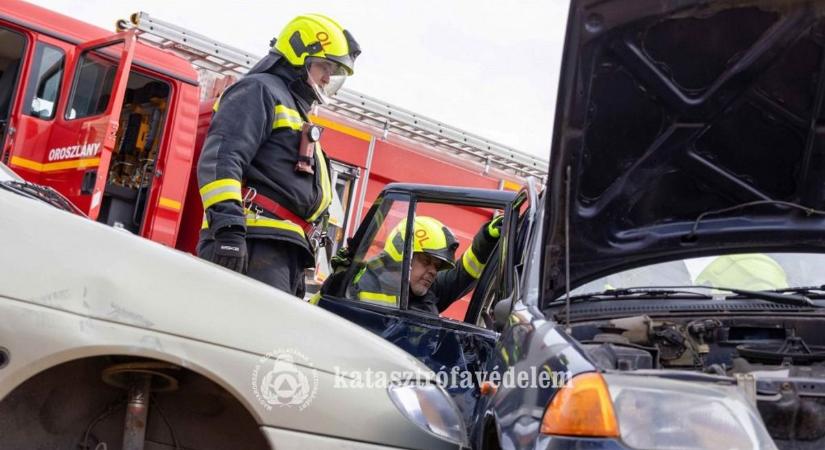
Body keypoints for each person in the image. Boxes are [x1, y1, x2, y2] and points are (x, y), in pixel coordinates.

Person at [196, 14, 361, 296]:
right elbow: (221, 160)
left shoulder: (293, 107)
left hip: (284, 249)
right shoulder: (259, 90)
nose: (326, 77)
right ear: (299, 56)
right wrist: (229, 228)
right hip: (254, 240)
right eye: (324, 66)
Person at [350, 215, 502, 314]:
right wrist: (337, 281)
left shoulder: (428, 291)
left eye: (437, 266)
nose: (433, 272)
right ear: (401, 254)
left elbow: (464, 273)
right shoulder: (358, 287)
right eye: (426, 261)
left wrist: (487, 240)